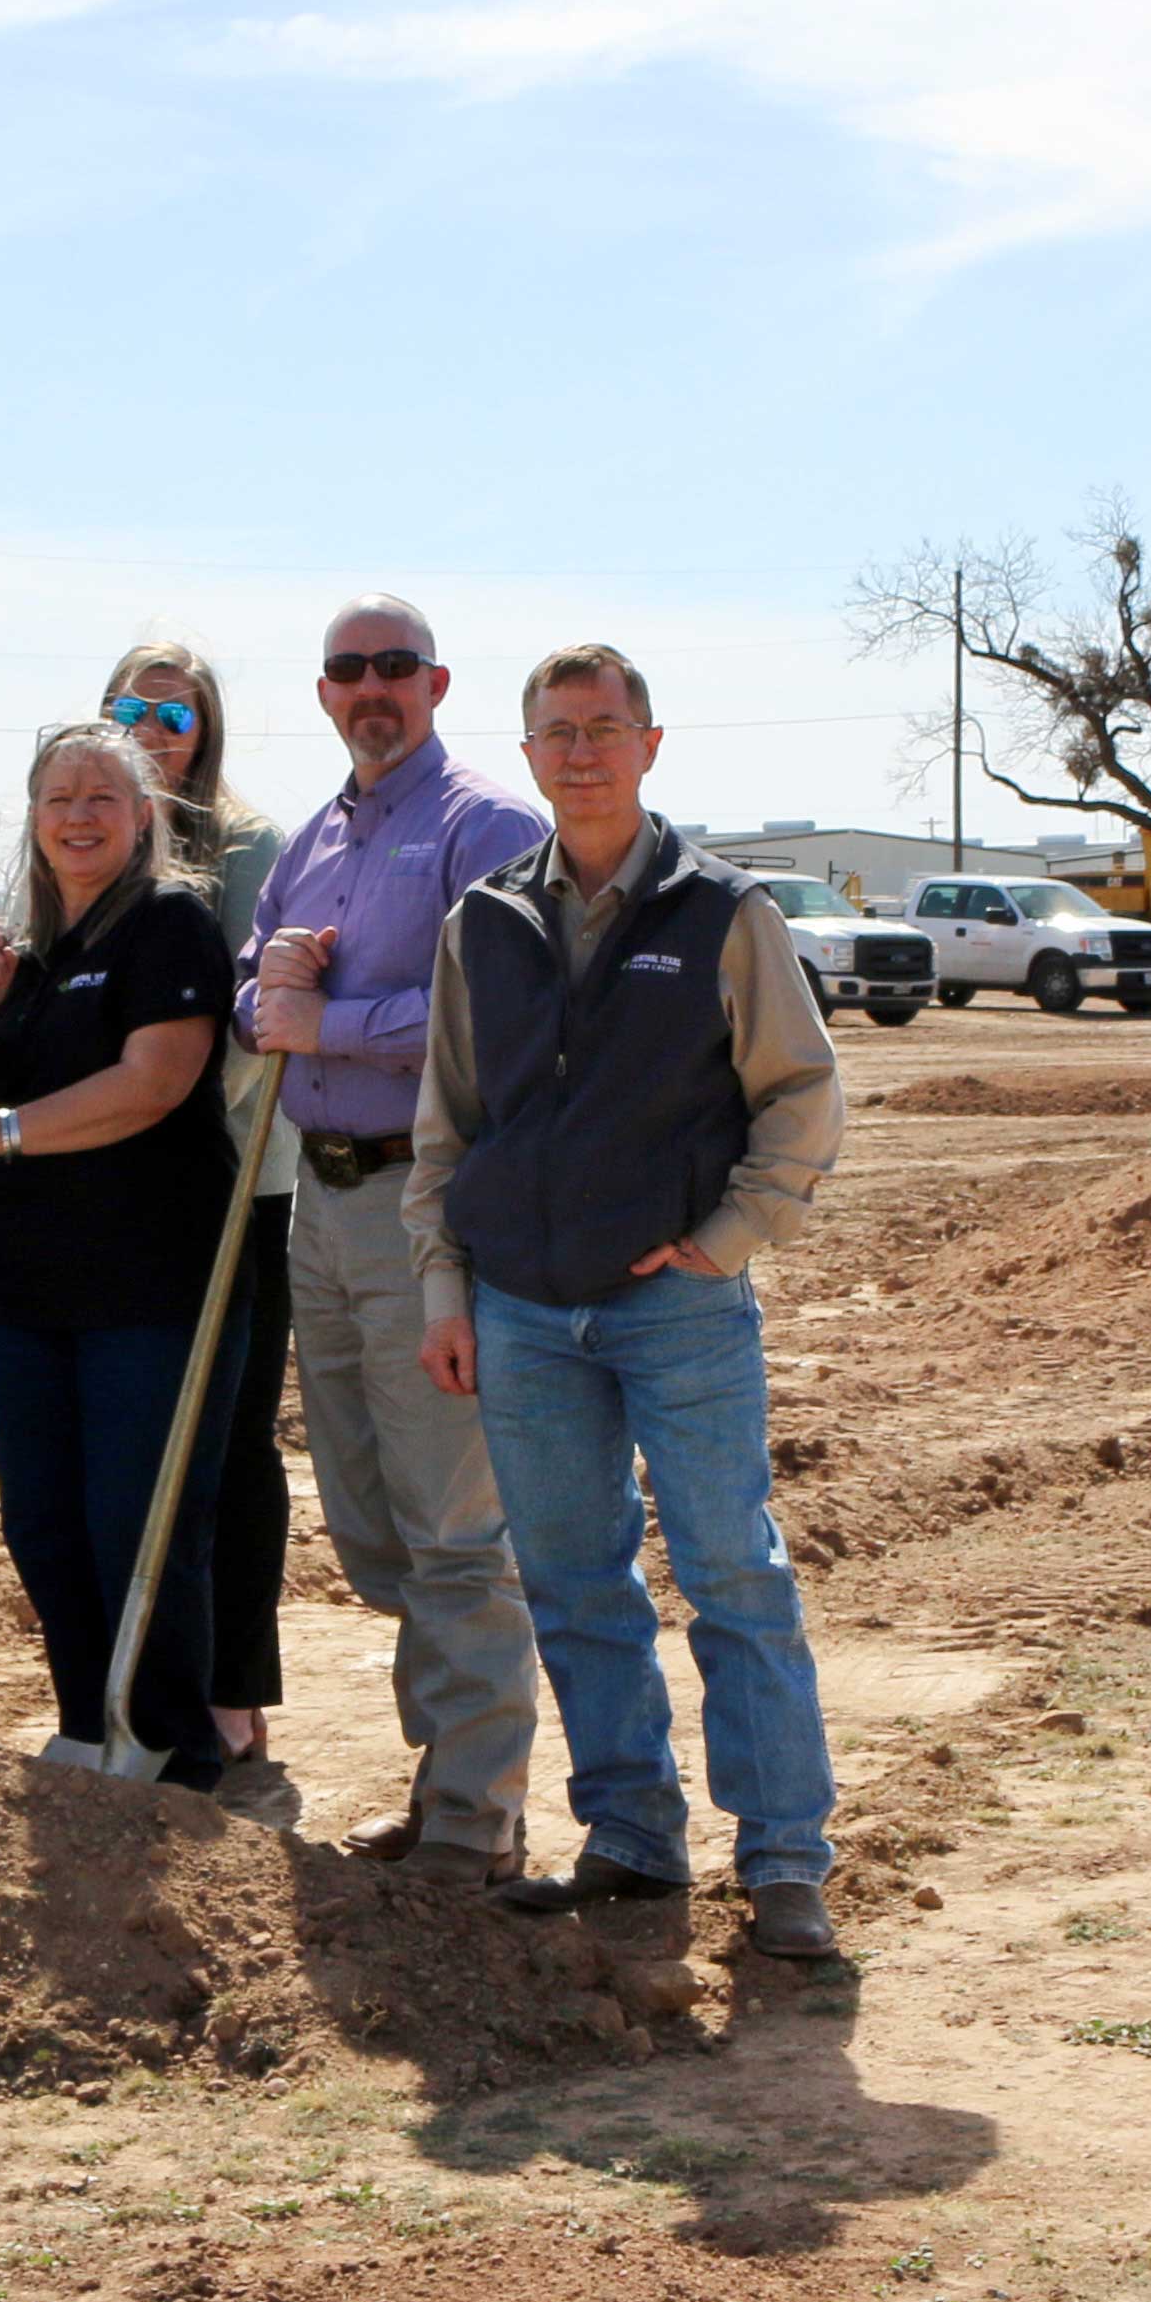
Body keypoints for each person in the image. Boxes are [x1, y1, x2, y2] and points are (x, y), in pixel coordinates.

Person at [412, 645, 853, 1960]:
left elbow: (804, 1095)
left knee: (733, 1575)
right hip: (523, 1313)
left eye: (606, 728)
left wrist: (728, 1240)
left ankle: (783, 1865)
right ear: (531, 753)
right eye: (558, 732)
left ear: (651, 746)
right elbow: (449, 1130)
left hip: (677, 1308)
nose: (582, 751)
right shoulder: (481, 922)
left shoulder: (725, 914)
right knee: (572, 1583)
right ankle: (635, 1843)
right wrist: (447, 1287)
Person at [243, 594, 548, 1877]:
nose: (372, 686)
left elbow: (513, 1012)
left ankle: (478, 1820)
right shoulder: (313, 834)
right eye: (348, 669)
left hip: (427, 1204)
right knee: (369, 1522)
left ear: (435, 682)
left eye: (395, 666)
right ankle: (445, 1782)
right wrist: (278, 998)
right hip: (316, 1200)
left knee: (451, 1524)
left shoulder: (487, 823)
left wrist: (332, 1022)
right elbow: (255, 986)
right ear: (322, 691)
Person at [0, 722, 245, 1785]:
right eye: (58, 797)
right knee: (44, 1524)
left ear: (144, 814)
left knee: (134, 1523)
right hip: (24, 1288)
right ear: (33, 817)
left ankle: (170, 1742)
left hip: (149, 1284)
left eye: (103, 796)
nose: (78, 815)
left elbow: (156, 1082)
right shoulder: (15, 949)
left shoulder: (169, 925)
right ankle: (91, 1725)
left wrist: (8, 1131)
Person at [112, 640, 296, 1808]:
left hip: (238, 1180)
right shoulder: (102, 837)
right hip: (126, 1183)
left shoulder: (246, 847)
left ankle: (235, 1686)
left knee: (229, 1439)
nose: (150, 724)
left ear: (206, 719)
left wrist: (166, 1112)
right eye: (127, 707)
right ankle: (142, 1682)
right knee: (145, 1440)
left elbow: (241, 1021)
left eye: (170, 709)